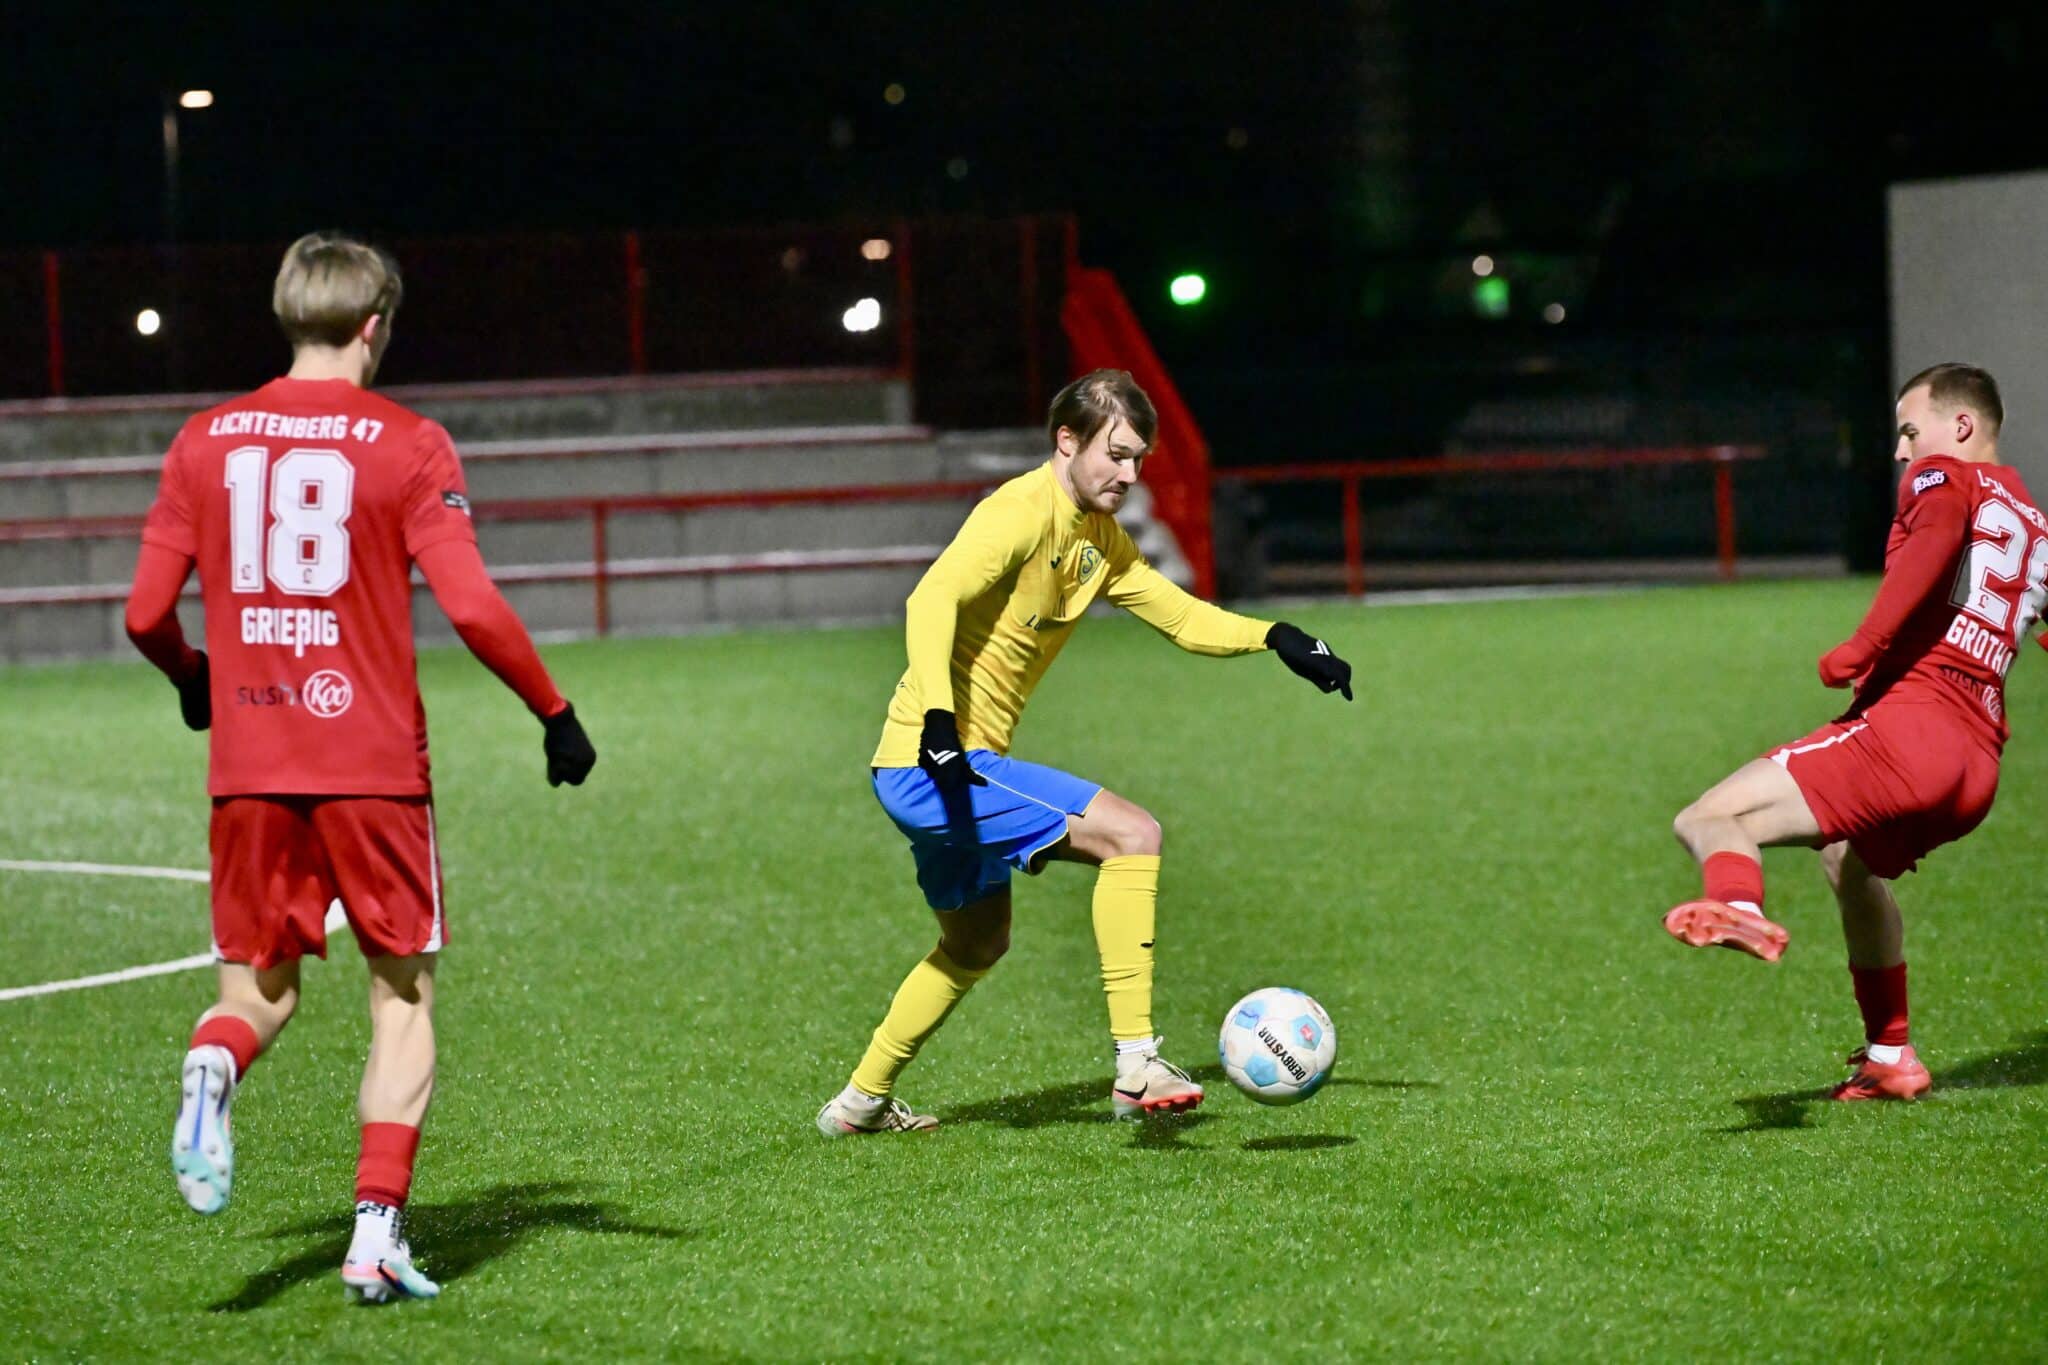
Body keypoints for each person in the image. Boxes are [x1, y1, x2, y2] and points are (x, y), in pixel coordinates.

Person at [126, 232, 597, 1302]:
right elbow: (471, 606)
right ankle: (374, 1235)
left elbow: (145, 613)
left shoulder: (202, 442)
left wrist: (192, 673)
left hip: (249, 763)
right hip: (374, 766)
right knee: (402, 997)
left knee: (258, 994)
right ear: (374, 323)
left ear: (288, 315)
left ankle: (214, 1063)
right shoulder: (407, 443)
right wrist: (553, 711)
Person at [815, 368, 1353, 1136]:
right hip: (936, 762)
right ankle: (1137, 1064)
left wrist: (1277, 637)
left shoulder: (1100, 540)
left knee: (976, 941)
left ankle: (859, 1103)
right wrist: (940, 720)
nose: (1130, 476)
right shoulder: (1019, 512)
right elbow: (929, 599)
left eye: (1139, 460)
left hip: (927, 769)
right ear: (1066, 441)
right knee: (1132, 834)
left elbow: (1180, 616)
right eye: (1118, 455)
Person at [1664, 363, 2040, 1101]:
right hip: (1977, 762)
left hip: (1915, 729)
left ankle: (1737, 907)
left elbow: (1928, 554)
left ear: (1961, 427)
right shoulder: (2034, 522)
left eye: (1910, 429)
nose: (1903, 452)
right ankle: (1890, 1053)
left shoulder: (1942, 478)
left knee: (1709, 816)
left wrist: (1862, 647)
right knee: (1850, 864)